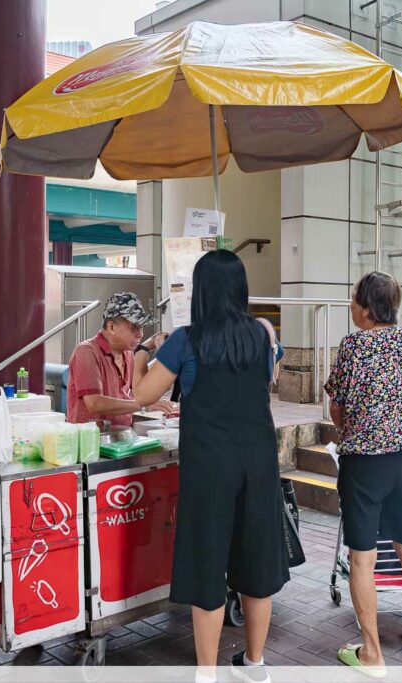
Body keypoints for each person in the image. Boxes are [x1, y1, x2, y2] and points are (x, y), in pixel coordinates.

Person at [135, 250, 288, 683]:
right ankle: (255, 665)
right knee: (256, 561)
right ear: (240, 289)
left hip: (209, 465)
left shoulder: (186, 339)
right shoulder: (262, 332)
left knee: (208, 562)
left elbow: (143, 394)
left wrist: (145, 351)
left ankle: (207, 672)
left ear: (200, 291)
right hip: (259, 460)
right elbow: (269, 378)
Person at [325, 271, 402, 678]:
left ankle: (372, 654)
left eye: (352, 300)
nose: (350, 307)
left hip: (364, 463)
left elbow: (337, 408)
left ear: (366, 308)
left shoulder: (353, 347)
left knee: (362, 558)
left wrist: (351, 432)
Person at [67, 292, 175, 427]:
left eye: (141, 327)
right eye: (134, 327)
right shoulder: (86, 352)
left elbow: (141, 390)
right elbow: (94, 403)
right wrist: (143, 404)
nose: (140, 334)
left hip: (121, 439)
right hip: (90, 440)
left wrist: (147, 349)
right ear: (111, 327)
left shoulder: (128, 354)